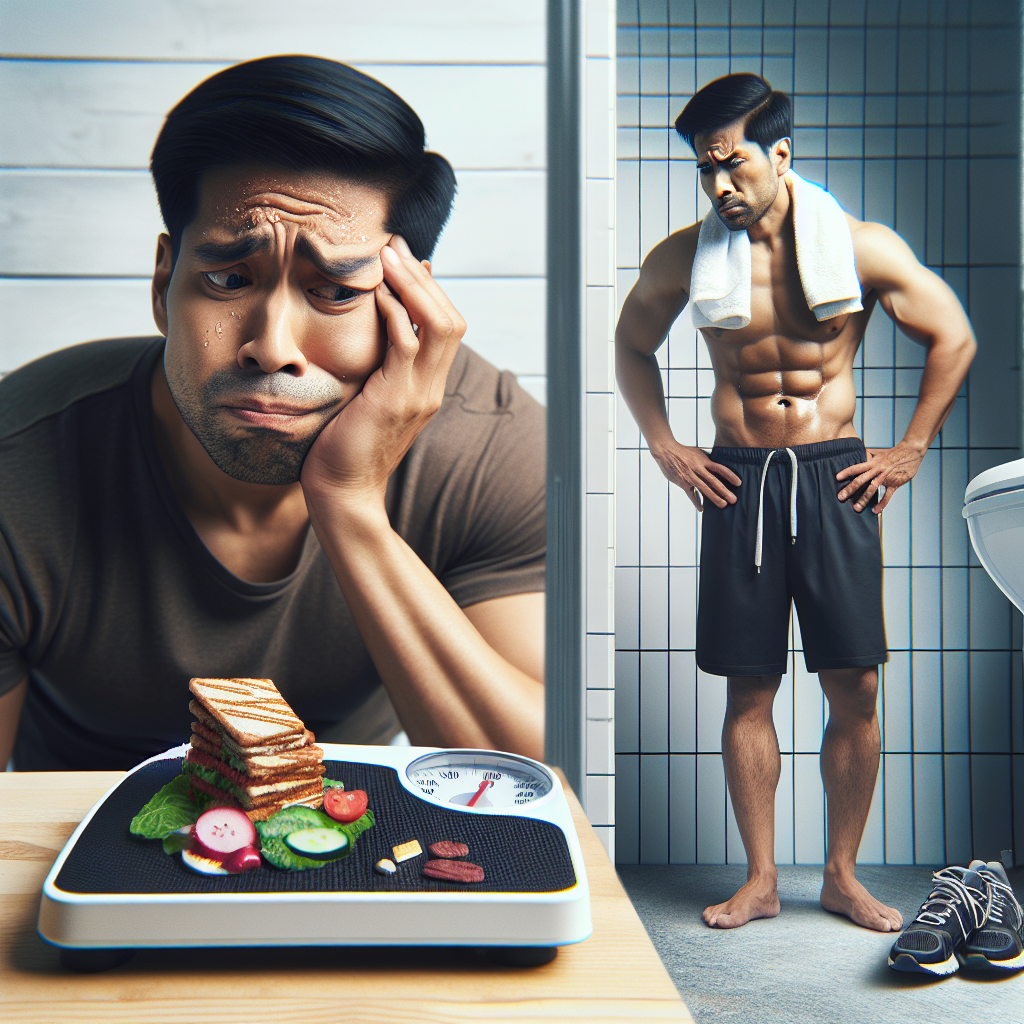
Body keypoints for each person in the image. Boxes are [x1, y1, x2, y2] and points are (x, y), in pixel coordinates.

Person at [0, 56, 545, 772]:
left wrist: (349, 507)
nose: (272, 348)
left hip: (353, 828)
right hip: (69, 834)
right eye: (227, 279)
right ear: (165, 283)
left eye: (336, 292)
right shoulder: (17, 461)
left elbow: (541, 785)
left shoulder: (490, 450)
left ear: (410, 301)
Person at [615, 74, 975, 932]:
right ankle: (762, 878)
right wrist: (666, 447)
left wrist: (911, 446)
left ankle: (842, 876)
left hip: (834, 475)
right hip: (739, 479)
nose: (720, 187)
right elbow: (632, 345)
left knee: (854, 688)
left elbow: (952, 333)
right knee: (749, 688)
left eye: (733, 165)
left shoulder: (859, 245)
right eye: (705, 173)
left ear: (780, 153)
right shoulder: (679, 258)